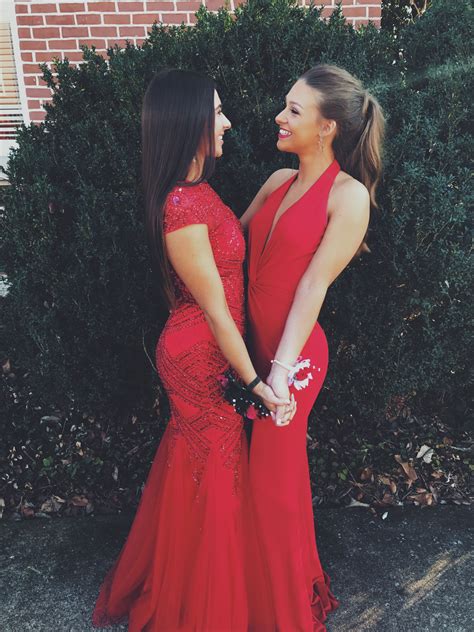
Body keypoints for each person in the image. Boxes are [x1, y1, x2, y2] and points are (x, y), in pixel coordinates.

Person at [91, 68, 295, 631]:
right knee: (218, 473)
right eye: (218, 112)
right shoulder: (179, 207)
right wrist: (257, 384)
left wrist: (277, 189)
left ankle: (199, 589)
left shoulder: (199, 191)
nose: (227, 122)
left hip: (210, 346)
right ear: (188, 123)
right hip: (198, 355)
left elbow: (237, 243)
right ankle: (209, 607)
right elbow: (216, 311)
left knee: (203, 470)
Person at [241, 63, 385, 631]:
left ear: (327, 127)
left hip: (294, 359)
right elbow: (231, 249)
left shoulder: (349, 197)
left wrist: (279, 373)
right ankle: (244, 585)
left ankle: (278, 611)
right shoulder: (277, 182)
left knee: (272, 482)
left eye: (294, 110)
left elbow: (312, 284)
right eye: (285, 104)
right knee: (250, 476)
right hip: (246, 349)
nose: (280, 116)